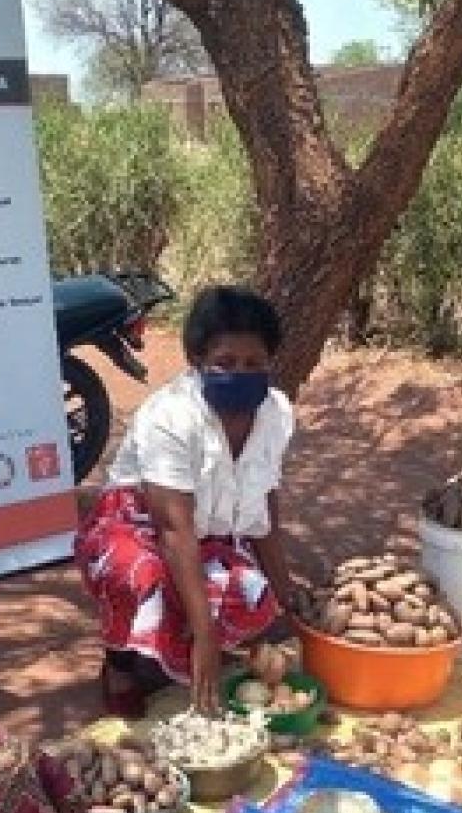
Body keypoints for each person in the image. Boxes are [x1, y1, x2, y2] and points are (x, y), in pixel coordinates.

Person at [74, 286, 298, 716]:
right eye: (225, 363)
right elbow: (174, 533)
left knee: (250, 593)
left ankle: (198, 644)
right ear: (197, 361)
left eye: (254, 364)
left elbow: (266, 496)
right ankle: (120, 661)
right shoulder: (170, 417)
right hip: (138, 523)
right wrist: (206, 636)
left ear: (270, 363)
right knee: (146, 577)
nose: (241, 373)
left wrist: (283, 588)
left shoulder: (275, 413)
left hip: (209, 526)